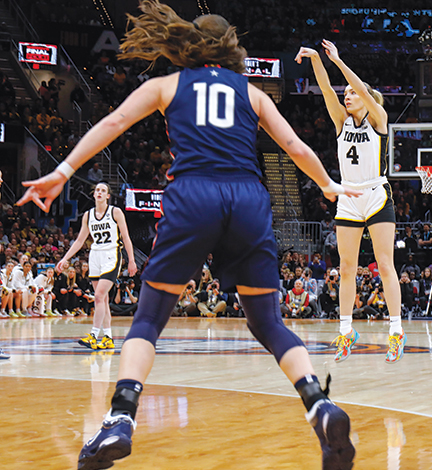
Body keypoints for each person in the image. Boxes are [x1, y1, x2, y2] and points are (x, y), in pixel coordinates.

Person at [18, 4, 359, 469]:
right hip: (247, 197)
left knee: (150, 317)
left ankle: (120, 418)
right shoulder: (253, 92)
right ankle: (319, 403)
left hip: (192, 194)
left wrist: (62, 169)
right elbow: (296, 146)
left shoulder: (167, 84)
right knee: (268, 322)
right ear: (230, 50)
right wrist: (328, 185)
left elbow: (114, 123)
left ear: (190, 46)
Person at [296, 40, 406, 364]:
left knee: (385, 264)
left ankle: (396, 331)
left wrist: (340, 61)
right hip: (348, 196)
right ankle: (346, 332)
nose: (348, 95)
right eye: (348, 93)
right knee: (345, 268)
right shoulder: (341, 121)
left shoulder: (378, 119)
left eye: (353, 93)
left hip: (375, 194)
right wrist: (318, 59)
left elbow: (358, 88)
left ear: (367, 98)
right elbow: (327, 88)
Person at [57, 182, 136, 348]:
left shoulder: (115, 212)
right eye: (97, 190)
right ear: (94, 195)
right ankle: (108, 337)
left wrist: (131, 260)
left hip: (111, 255)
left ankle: (93, 334)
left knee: (99, 296)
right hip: (95, 256)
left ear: (108, 196)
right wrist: (65, 258)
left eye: (103, 190)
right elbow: (80, 241)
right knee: (103, 299)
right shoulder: (88, 215)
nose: (99, 192)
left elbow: (126, 237)